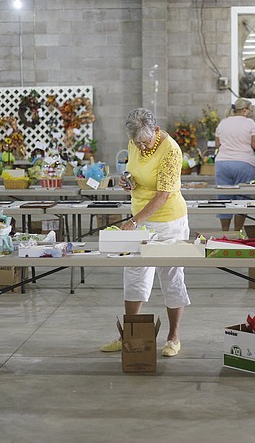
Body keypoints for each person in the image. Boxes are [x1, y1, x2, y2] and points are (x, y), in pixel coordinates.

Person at [100, 108, 190, 358]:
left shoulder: (170, 150)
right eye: (136, 142)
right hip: (139, 218)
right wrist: (128, 181)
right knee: (134, 274)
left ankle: (173, 337)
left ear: (156, 131)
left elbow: (163, 194)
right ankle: (128, 334)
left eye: (145, 141)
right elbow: (136, 173)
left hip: (169, 220)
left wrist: (133, 221)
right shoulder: (133, 142)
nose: (140, 146)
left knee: (170, 275)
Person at [214, 98, 255, 231]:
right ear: (245, 110)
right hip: (244, 163)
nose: (251, 113)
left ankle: (225, 232)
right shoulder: (249, 123)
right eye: (251, 110)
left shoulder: (223, 123)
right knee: (242, 198)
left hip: (222, 163)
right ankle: (237, 232)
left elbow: (217, 144)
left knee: (224, 199)